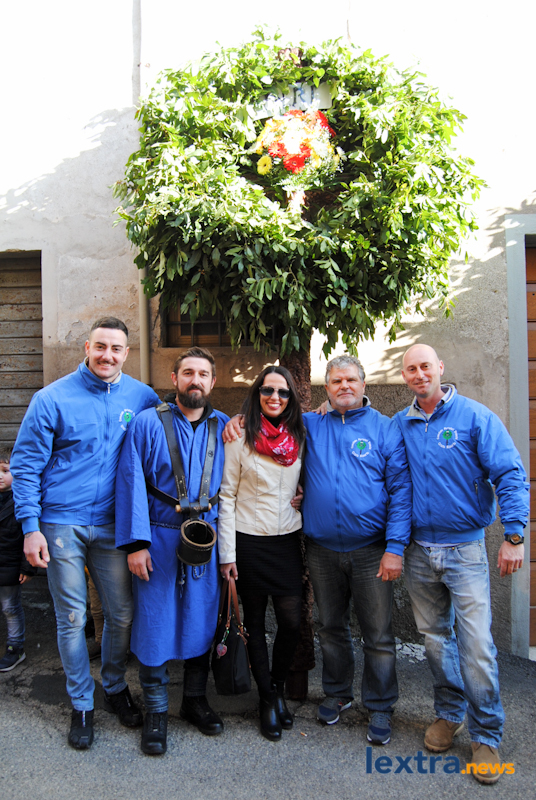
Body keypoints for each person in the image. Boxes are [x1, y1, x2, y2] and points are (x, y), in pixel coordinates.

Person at [224, 355, 412, 745]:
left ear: (364, 385)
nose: (345, 386)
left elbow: (400, 489)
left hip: (370, 549)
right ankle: (337, 694)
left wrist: (395, 546)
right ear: (326, 389)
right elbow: (267, 422)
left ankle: (379, 706)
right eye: (336, 381)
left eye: (351, 380)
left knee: (377, 634)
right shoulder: (309, 424)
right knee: (330, 628)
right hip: (321, 549)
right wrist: (237, 418)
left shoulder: (383, 428)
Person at [10, 317, 160, 749]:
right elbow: (25, 466)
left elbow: (176, 432)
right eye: (100, 347)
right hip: (61, 523)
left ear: (126, 354)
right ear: (87, 348)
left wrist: (231, 423)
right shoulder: (51, 398)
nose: (107, 356)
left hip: (115, 525)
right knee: (73, 618)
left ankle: (114, 685)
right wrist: (30, 528)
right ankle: (81, 702)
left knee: (122, 614)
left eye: (115, 349)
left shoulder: (142, 398)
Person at [396, 343, 528, 784]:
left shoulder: (474, 417)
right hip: (418, 551)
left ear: (439, 368)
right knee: (436, 640)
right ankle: (449, 714)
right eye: (411, 369)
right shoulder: (401, 423)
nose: (419, 374)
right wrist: (323, 412)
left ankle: (486, 734)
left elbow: (509, 473)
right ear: (404, 376)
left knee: (477, 645)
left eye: (425, 366)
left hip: (465, 550)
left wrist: (514, 536)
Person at [115, 347, 229, 756]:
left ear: (212, 382)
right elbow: (131, 482)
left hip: (206, 540)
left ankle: (194, 700)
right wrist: (136, 544)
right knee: (155, 624)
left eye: (203, 374)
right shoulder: (148, 423)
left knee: (201, 620)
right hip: (158, 539)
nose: (195, 380)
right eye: (188, 373)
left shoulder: (225, 426)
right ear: (174, 378)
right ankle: (157, 711)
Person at [219, 365, 306, 742]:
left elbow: (304, 478)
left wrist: (303, 494)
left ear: (290, 398)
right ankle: (268, 700)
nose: (275, 397)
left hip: (286, 539)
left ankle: (276, 687)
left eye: (283, 392)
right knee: (253, 625)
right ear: (257, 394)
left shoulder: (299, 434)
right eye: (268, 390)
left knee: (291, 622)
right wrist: (227, 554)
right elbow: (226, 496)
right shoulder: (239, 435)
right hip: (248, 540)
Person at [0, 449, 36, 672]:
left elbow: (29, 536)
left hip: (10, 566)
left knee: (10, 607)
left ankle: (15, 647)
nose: (0, 476)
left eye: (5, 471)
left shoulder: (22, 502)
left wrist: (27, 567)